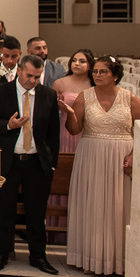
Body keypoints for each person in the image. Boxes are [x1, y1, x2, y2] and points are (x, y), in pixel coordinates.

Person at [65, 56, 140, 276]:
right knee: (93, 205)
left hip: (120, 159)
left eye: (103, 72)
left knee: (118, 208)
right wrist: (70, 114)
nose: (97, 75)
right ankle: (90, 257)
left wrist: (134, 155)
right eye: (95, 71)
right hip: (91, 157)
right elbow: (74, 130)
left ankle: (119, 260)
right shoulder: (84, 97)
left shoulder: (130, 99)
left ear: (115, 76)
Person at [0, 55, 61, 275]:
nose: (32, 80)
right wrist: (8, 125)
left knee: (36, 213)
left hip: (36, 163)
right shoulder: (1, 92)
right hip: (9, 161)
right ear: (19, 70)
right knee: (3, 211)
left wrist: (52, 164)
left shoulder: (48, 95)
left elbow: (53, 133)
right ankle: (1, 253)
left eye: (37, 77)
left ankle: (38, 256)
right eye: (29, 75)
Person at [48, 48, 95, 238]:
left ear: (90, 65)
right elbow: (48, 110)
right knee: (62, 175)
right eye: (75, 60)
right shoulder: (60, 83)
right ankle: (57, 230)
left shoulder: (94, 84)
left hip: (87, 133)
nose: (77, 64)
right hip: (64, 133)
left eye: (82, 61)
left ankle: (81, 230)